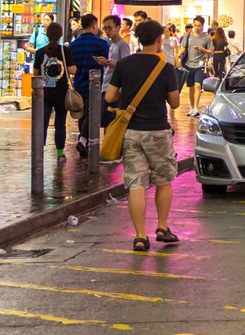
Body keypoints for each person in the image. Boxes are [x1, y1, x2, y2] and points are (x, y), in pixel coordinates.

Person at [106, 19, 182, 252]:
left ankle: (140, 236)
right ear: (159, 40)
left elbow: (109, 97)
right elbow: (175, 103)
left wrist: (127, 98)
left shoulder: (124, 65)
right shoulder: (166, 68)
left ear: (138, 39)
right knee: (163, 180)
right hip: (158, 131)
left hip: (131, 132)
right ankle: (161, 227)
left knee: (136, 184)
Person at [66, 15, 111, 155]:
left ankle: (83, 141)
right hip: (96, 84)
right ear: (93, 25)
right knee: (93, 114)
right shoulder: (102, 44)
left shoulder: (73, 45)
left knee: (82, 114)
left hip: (79, 84)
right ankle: (84, 141)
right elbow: (107, 63)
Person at [32, 23, 71, 156]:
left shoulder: (40, 52)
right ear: (60, 35)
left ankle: (39, 151)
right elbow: (73, 70)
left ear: (47, 35)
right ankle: (60, 153)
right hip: (61, 93)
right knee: (60, 123)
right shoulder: (65, 51)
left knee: (42, 123)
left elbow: (35, 73)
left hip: (44, 93)